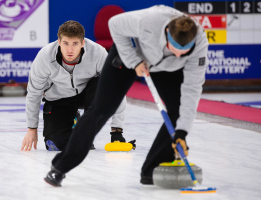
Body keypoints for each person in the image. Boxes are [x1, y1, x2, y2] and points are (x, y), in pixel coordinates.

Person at [44, 5, 208, 186]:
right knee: (100, 110)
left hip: (166, 68)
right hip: (129, 55)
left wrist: (182, 133)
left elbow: (192, 90)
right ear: (167, 32)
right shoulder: (150, 20)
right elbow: (114, 24)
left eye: (183, 53)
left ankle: (151, 171)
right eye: (174, 47)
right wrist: (135, 61)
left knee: (177, 112)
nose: (177, 54)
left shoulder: (199, 43)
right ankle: (59, 168)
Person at [21, 20, 127, 152]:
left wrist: (117, 131)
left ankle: (87, 129)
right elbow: (34, 93)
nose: (70, 50)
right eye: (65, 43)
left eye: (75, 44)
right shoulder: (45, 57)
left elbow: (117, 87)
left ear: (83, 43)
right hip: (59, 98)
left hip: (87, 95)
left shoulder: (98, 53)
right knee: (57, 145)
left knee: (106, 81)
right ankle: (74, 120)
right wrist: (32, 128)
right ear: (59, 42)